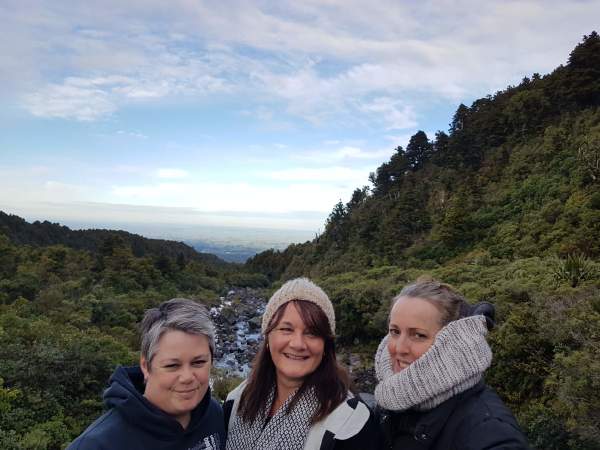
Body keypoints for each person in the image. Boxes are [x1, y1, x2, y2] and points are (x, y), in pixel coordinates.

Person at [224, 277, 379, 450]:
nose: (298, 344)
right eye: (286, 329)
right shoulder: (237, 401)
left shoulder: (350, 422)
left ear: (326, 345)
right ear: (268, 337)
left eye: (312, 333)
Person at [374, 279, 529, 449]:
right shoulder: (392, 396)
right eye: (395, 331)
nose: (399, 348)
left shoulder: (490, 433)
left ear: (451, 344)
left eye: (418, 335)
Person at [68, 298, 225, 450]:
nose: (187, 377)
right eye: (172, 365)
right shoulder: (98, 444)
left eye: (198, 362)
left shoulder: (213, 414)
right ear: (145, 366)